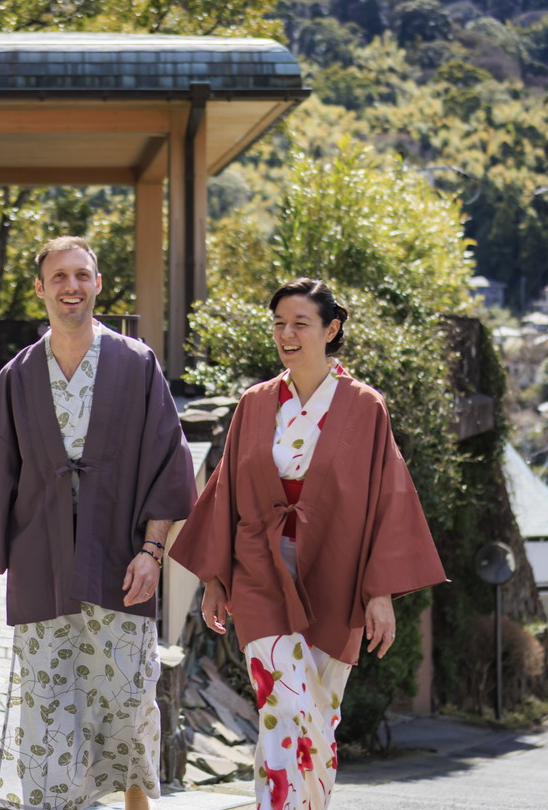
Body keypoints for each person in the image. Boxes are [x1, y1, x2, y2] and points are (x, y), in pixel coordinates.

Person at [0, 236, 196, 810]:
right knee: (48, 702)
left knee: (128, 697)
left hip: (119, 558)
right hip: (40, 561)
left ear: (98, 283)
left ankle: (135, 805)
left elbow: (166, 457)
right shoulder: (19, 374)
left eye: (82, 275)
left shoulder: (136, 363)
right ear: (40, 288)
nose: (71, 287)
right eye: (59, 277)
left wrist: (152, 553)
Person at [167, 278, 446, 810]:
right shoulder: (254, 403)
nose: (286, 334)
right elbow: (225, 489)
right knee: (285, 706)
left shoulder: (365, 407)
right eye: (278, 323)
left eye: (300, 323)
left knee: (321, 711)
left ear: (331, 329)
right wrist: (214, 577)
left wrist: (380, 593)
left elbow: (389, 497)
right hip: (258, 569)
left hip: (334, 571)